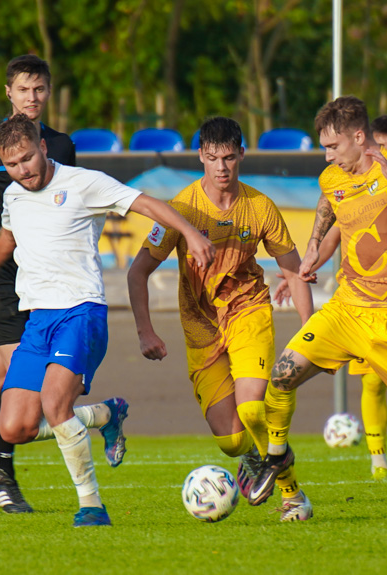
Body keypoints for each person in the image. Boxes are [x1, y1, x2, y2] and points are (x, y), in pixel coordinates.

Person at [0, 113, 214, 527]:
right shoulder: (13, 195)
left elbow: (146, 203)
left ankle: (92, 506)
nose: (22, 170)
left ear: (42, 148)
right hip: (38, 321)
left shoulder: (84, 183)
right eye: (12, 165)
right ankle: (105, 415)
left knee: (55, 403)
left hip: (81, 312)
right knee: (13, 428)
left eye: (27, 158)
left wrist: (190, 234)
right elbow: (8, 237)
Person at [249, 96, 387, 523]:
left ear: (358, 137)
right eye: (324, 148)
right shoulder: (331, 178)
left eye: (333, 146)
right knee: (282, 375)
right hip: (348, 308)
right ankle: (277, 455)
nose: (327, 156)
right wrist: (309, 257)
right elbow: (329, 214)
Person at [0, 55, 128, 515]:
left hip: (39, 280)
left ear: (48, 92)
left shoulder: (60, 144)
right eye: (23, 90)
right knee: (26, 382)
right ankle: (5, 476)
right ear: (9, 94)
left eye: (39, 89)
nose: (32, 98)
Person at [126, 117, 315, 521]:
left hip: (249, 311)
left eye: (229, 157)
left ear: (241, 154)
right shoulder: (180, 209)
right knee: (230, 440)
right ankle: (252, 459)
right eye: (212, 158)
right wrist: (145, 331)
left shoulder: (260, 207)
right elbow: (137, 271)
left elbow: (295, 270)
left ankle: (293, 497)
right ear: (200, 157)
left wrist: (310, 329)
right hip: (201, 328)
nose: (221, 168)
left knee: (251, 410)